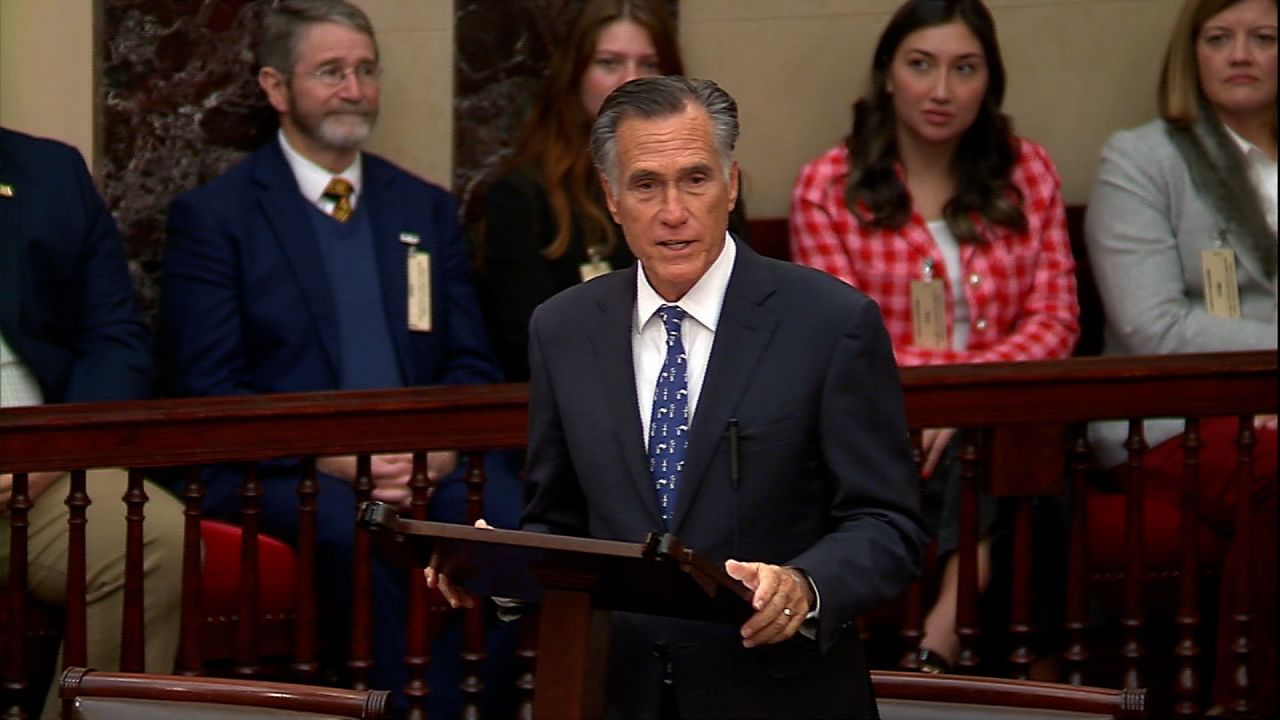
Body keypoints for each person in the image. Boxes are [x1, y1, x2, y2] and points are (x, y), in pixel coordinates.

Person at [435, 76, 927, 719]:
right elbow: (559, 520)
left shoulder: (830, 323)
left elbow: (889, 524)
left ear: (733, 184)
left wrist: (807, 586)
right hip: (617, 693)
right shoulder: (562, 329)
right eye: (646, 184)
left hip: (777, 693)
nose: (674, 211)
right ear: (611, 197)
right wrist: (501, 568)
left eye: (695, 179)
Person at [160, 1, 521, 715]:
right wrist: (331, 459)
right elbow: (206, 390)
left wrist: (441, 452)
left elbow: (472, 364)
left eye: (365, 70)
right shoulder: (217, 219)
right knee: (361, 540)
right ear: (274, 86)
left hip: (427, 461)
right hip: (287, 473)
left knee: (511, 526)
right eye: (330, 72)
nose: (354, 89)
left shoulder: (423, 209)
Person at [789, 0, 1079, 675]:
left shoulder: (1026, 170)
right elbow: (841, 336)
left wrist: (969, 401)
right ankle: (1033, 669)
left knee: (1008, 438)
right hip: (882, 421)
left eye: (964, 68)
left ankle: (937, 650)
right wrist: (945, 397)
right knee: (1012, 449)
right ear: (888, 75)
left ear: (990, 81)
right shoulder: (827, 186)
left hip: (1003, 418)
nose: (942, 90)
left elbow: (1055, 321)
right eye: (921, 65)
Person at [1085, 0, 1276, 712]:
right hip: (1169, 419)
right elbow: (1154, 325)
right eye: (1219, 37)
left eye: (1264, 38)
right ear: (1190, 53)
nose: (1241, 54)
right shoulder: (1142, 159)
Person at [0, 126, 184, 719]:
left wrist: (54, 453)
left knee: (152, 542)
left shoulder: (48, 173)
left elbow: (115, 339)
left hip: (42, 468)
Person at [470, 0, 748, 381]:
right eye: (609, 63)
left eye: (649, 64)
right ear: (575, 75)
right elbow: (527, 344)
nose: (632, 80)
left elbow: (743, 310)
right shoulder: (522, 195)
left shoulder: (709, 185)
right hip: (586, 400)